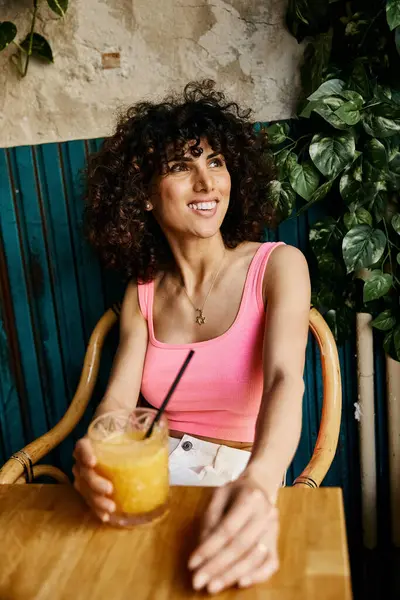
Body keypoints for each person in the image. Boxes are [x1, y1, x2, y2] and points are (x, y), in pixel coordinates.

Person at [72, 80, 311, 594]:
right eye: (181, 167)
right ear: (144, 197)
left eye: (216, 162)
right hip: (157, 479)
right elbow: (116, 401)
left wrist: (261, 482)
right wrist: (96, 454)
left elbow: (285, 378)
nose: (206, 182)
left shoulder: (278, 266)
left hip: (248, 478)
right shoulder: (142, 292)